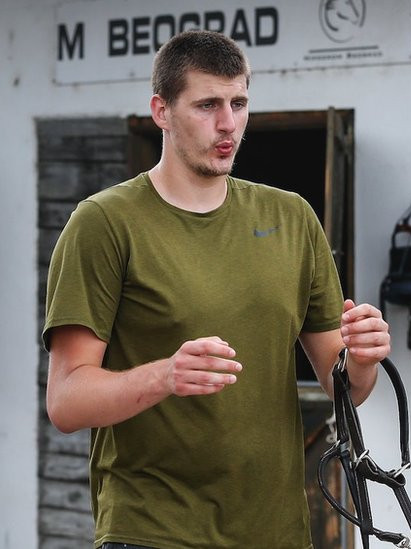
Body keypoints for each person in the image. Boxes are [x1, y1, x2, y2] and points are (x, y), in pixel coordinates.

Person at [43, 29, 389, 549]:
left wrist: (363, 359)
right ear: (161, 110)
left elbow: (348, 391)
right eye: (207, 105)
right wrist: (165, 375)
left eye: (239, 103)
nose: (228, 124)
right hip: (152, 531)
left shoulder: (291, 217)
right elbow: (66, 401)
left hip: (276, 531)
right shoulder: (104, 223)